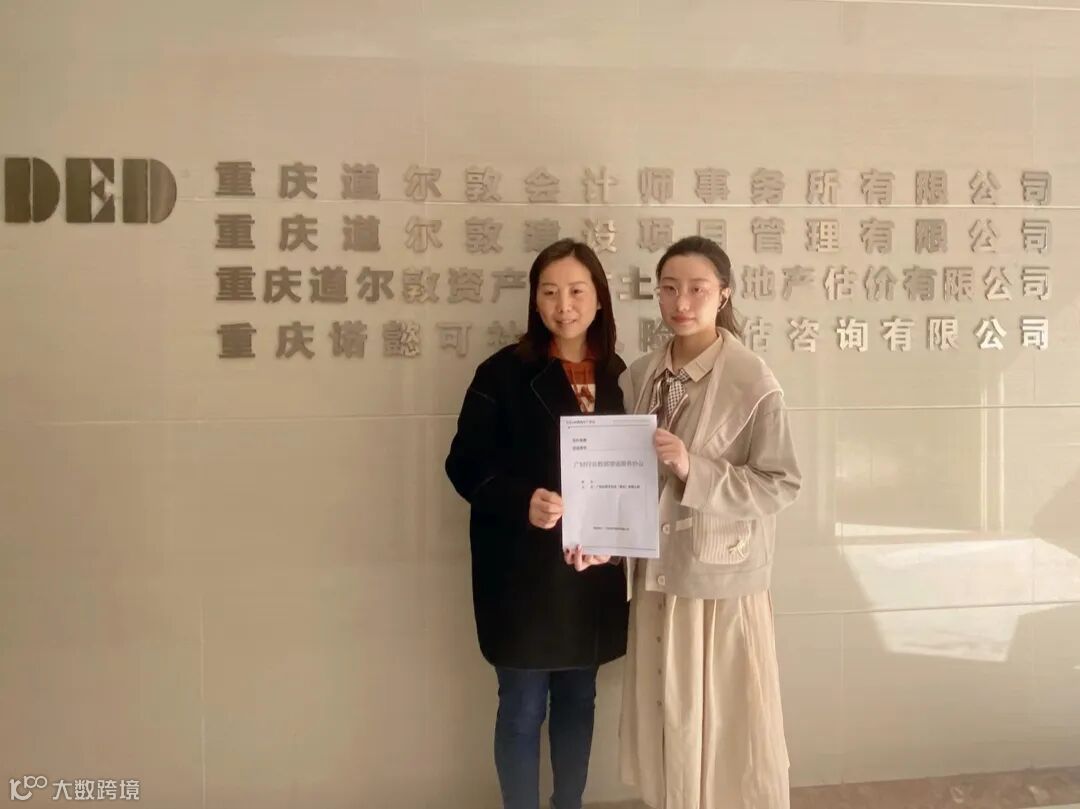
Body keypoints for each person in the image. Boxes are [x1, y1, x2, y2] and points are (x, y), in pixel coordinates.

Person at [566, 235, 802, 809]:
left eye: (697, 288)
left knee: (724, 731)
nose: (682, 302)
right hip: (656, 575)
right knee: (667, 721)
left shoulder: (754, 382)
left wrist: (695, 468)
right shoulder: (639, 376)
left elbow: (780, 483)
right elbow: (626, 479)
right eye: (669, 288)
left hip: (719, 583)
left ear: (724, 294)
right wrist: (603, 540)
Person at [445, 238, 630, 809]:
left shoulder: (622, 374)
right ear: (534, 300)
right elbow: (463, 464)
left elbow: (635, 474)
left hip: (590, 570)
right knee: (522, 707)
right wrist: (522, 500)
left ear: (599, 297)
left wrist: (620, 538)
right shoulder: (502, 373)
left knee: (580, 700)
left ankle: (568, 803)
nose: (563, 305)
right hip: (521, 575)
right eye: (549, 292)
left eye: (576, 291)